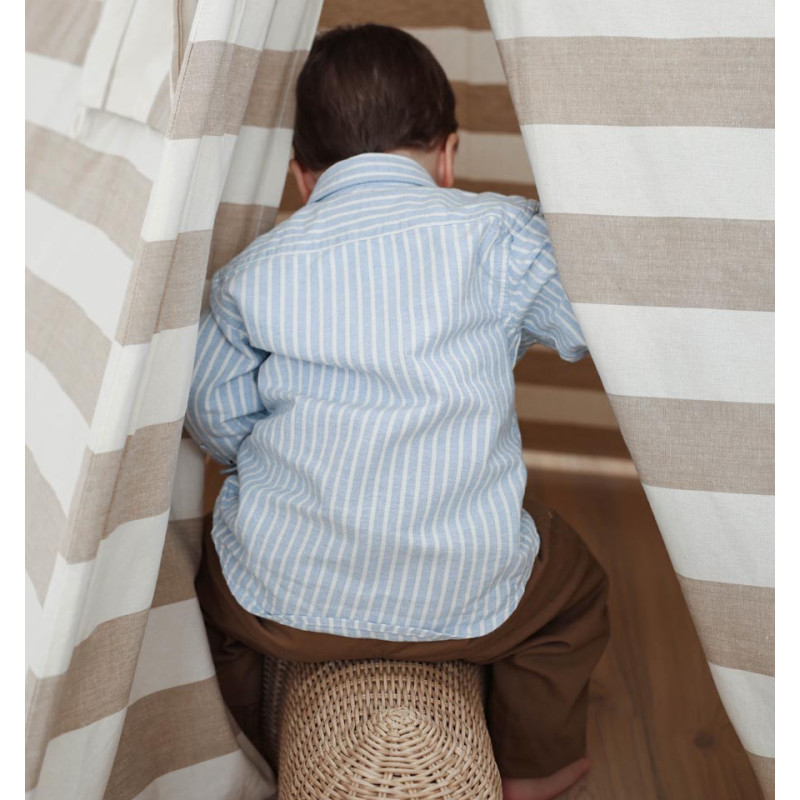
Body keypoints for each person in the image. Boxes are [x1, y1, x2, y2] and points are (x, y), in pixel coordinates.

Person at [186, 24, 609, 800]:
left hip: (283, 601)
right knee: (574, 594)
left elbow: (212, 409)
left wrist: (282, 461)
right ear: (449, 156)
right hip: (468, 598)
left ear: (301, 177)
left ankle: (250, 751)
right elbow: (600, 321)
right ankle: (534, 769)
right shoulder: (499, 238)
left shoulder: (251, 274)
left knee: (206, 595)